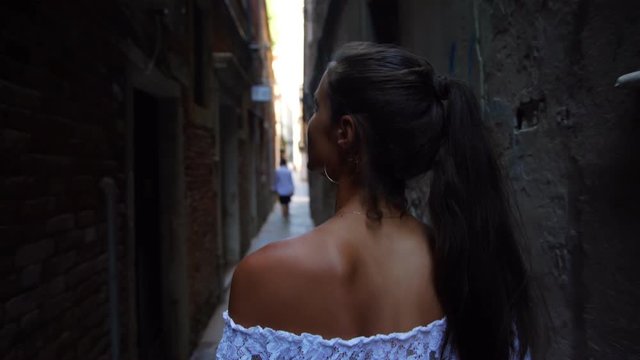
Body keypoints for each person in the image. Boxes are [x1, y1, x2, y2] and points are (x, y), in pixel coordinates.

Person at [216, 42, 537, 359]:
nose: (310, 123)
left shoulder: (260, 276)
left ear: (345, 132)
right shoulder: (470, 265)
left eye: (316, 108)